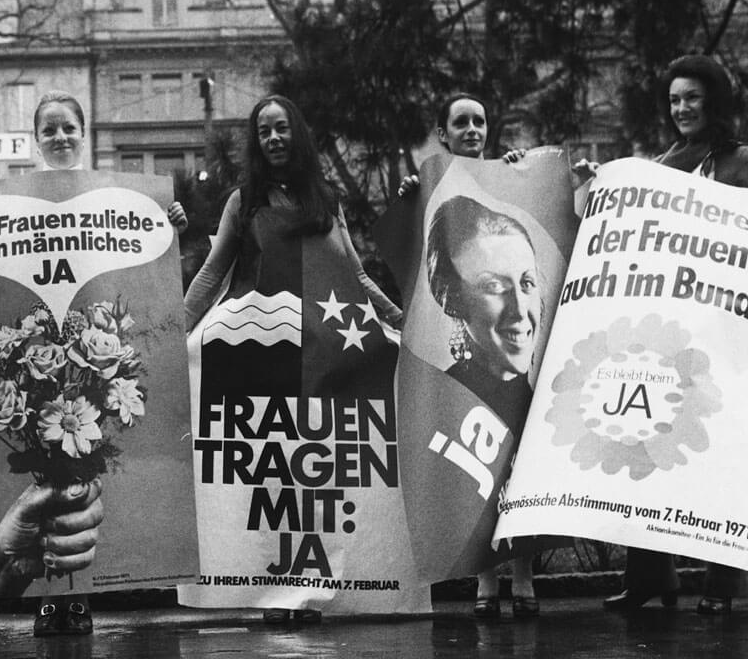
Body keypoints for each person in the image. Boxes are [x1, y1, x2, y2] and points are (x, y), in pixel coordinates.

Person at [185, 94, 403, 625]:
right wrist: (171, 332)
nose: (274, 138)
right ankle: (275, 592)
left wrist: (404, 323)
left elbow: (357, 276)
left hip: (326, 363)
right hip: (265, 360)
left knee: (317, 480)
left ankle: (307, 591)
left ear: (297, 134)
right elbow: (213, 274)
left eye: (282, 128)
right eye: (264, 132)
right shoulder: (243, 202)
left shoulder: (327, 199)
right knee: (274, 482)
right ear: (256, 143)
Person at [604, 54, 748, 616]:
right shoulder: (660, 167)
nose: (681, 108)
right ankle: (652, 576)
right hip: (669, 337)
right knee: (648, 442)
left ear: (714, 101)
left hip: (725, 332)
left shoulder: (740, 162)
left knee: (718, 455)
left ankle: (725, 585)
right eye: (674, 99)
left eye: (692, 98)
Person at [14, 90, 186, 636]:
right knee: (49, 479)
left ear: (82, 134)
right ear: (35, 139)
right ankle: (48, 597)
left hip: (93, 352)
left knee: (82, 478)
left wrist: (168, 220)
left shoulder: (108, 194)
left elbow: (137, 255)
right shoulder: (18, 194)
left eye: (69, 128)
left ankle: (79, 596)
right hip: (42, 352)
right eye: (50, 129)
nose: (60, 137)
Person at [399, 93, 539, 618]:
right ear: (444, 132)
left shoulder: (511, 175)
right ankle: (486, 578)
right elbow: (405, 250)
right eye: (462, 122)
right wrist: (411, 198)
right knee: (476, 477)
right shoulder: (433, 185)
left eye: (481, 120)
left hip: (518, 388)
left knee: (520, 474)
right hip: (471, 381)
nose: (474, 129)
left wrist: (527, 175)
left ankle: (522, 577)